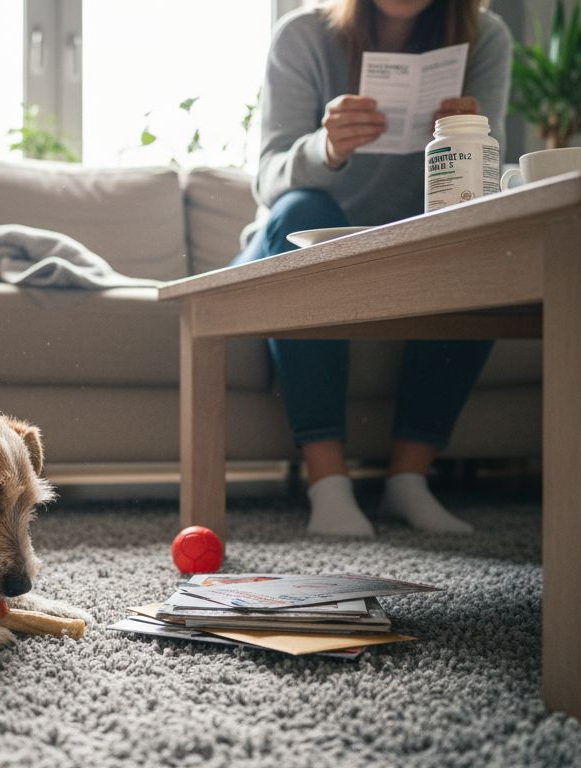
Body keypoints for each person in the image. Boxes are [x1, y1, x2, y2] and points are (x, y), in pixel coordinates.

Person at [235, 0, 512, 536]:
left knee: (484, 238)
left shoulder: (486, 35)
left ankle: (409, 479)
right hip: (291, 239)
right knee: (302, 214)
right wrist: (326, 147)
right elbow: (268, 178)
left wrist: (466, 141)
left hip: (409, 249)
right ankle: (328, 484)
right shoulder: (303, 35)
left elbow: (485, 184)